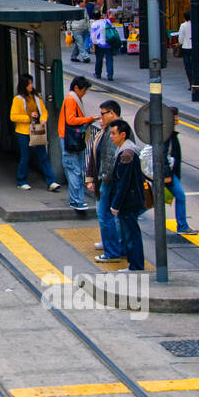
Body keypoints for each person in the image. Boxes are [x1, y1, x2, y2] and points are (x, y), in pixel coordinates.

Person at [106, 120, 147, 271]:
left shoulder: (127, 154)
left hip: (128, 202)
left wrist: (115, 205)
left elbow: (123, 182)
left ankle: (136, 266)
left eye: (113, 133)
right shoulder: (126, 150)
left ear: (123, 135)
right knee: (130, 234)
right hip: (130, 199)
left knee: (131, 235)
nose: (111, 137)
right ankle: (134, 264)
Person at [86, 100, 124, 262]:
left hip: (108, 182)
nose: (100, 116)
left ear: (112, 113)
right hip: (106, 180)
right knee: (108, 215)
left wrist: (103, 181)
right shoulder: (107, 130)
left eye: (103, 113)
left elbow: (109, 159)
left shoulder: (114, 131)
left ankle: (112, 251)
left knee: (106, 215)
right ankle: (112, 244)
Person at [9, 73, 60, 192]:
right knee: (25, 157)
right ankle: (21, 181)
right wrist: (29, 117)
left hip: (36, 130)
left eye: (31, 83)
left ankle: (51, 181)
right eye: (29, 84)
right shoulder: (18, 100)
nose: (31, 86)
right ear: (23, 86)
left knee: (43, 156)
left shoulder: (36, 97)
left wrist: (43, 119)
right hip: (23, 132)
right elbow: (13, 116)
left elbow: (44, 111)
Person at [58, 76, 95, 212]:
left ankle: (77, 200)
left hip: (71, 139)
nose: (84, 93)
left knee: (76, 170)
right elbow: (71, 120)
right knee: (75, 170)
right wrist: (89, 119)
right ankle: (76, 201)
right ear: (76, 88)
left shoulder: (73, 98)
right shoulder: (71, 99)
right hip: (70, 139)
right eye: (83, 90)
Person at [164, 107, 197, 236]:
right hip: (166, 174)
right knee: (180, 196)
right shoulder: (166, 135)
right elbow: (162, 155)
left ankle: (182, 225)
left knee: (153, 200)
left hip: (170, 173)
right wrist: (167, 175)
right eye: (174, 117)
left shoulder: (169, 133)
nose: (177, 119)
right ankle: (182, 226)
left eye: (177, 116)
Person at [89, 11, 116, 81]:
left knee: (99, 59)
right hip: (108, 42)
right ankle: (110, 75)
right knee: (109, 59)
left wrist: (91, 44)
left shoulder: (94, 24)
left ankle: (98, 73)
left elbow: (93, 36)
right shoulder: (107, 21)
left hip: (99, 44)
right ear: (100, 16)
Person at [177, 12, 195, 90]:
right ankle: (197, 81)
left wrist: (180, 43)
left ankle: (191, 83)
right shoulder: (198, 23)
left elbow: (180, 39)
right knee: (195, 65)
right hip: (195, 48)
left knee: (188, 66)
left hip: (186, 47)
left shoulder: (183, 25)